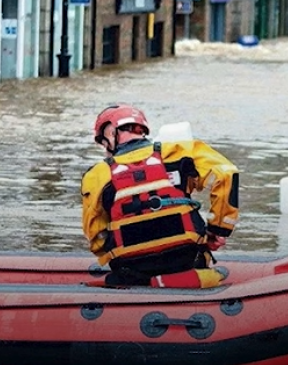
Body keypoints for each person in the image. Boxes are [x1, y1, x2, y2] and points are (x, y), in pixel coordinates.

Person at [81, 104, 240, 288]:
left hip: (132, 271)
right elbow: (226, 174)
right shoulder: (181, 151)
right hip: (188, 261)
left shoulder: (96, 174)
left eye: (103, 141)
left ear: (111, 132)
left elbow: (95, 234)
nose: (105, 148)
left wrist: (115, 251)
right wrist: (218, 229)